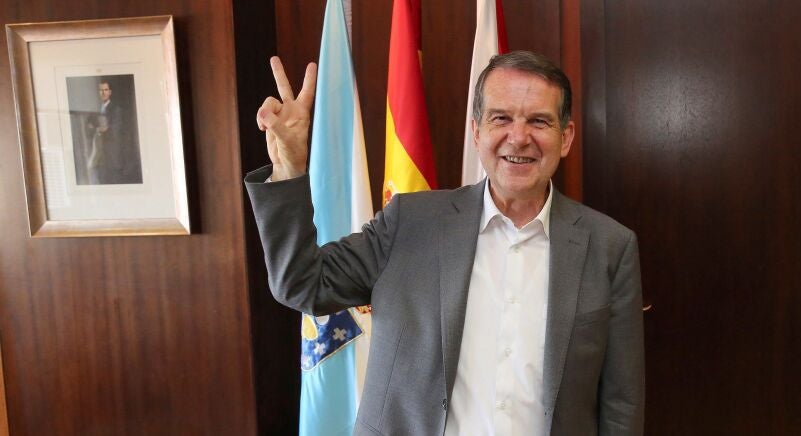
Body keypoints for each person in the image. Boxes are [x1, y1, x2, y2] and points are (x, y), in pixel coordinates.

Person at [245, 51, 644, 436]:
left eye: (539, 121)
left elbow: (621, 404)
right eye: (501, 118)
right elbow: (302, 283)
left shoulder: (610, 247)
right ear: (477, 131)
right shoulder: (409, 222)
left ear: (565, 137)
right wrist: (289, 169)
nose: (519, 137)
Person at [85, 79, 142, 184]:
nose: (103, 93)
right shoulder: (94, 111)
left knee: (114, 183)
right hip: (99, 160)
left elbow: (116, 131)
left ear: (110, 92)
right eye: (101, 90)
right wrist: (97, 129)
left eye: (106, 90)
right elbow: (88, 128)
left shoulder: (116, 110)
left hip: (113, 159)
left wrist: (102, 129)